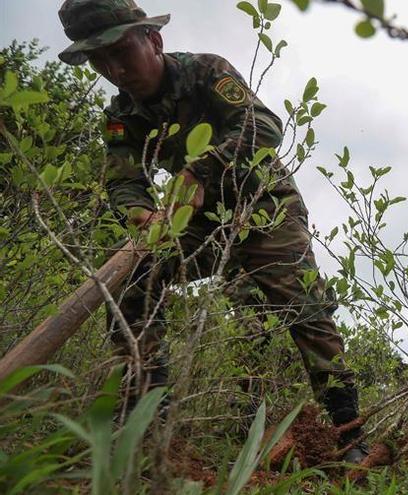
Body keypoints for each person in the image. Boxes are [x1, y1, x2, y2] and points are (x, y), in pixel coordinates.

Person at [57, 0, 368, 462]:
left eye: (121, 52)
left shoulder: (206, 72)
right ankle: (147, 421)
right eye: (99, 60)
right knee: (134, 280)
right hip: (199, 222)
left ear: (154, 41)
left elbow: (262, 125)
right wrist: (141, 213)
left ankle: (349, 434)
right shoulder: (122, 116)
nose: (114, 69)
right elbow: (124, 180)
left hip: (265, 206)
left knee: (303, 308)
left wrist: (200, 171)